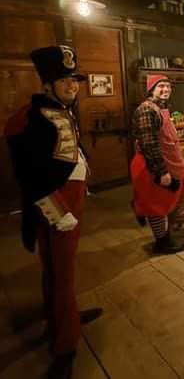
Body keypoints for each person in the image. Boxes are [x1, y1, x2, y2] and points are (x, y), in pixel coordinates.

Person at [4, 45, 103, 379]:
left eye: (74, 79)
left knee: (61, 270)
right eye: (64, 80)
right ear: (47, 83)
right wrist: (56, 210)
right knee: (61, 274)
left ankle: (63, 315)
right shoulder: (31, 118)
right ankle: (65, 344)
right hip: (57, 202)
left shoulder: (60, 108)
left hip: (72, 195)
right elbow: (30, 175)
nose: (72, 86)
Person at [131, 74, 184, 254]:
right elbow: (149, 143)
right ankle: (162, 242)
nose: (166, 90)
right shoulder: (146, 110)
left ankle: (163, 230)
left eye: (168, 87)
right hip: (152, 164)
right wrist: (161, 172)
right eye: (161, 86)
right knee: (157, 205)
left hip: (169, 161)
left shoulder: (161, 108)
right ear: (151, 89)